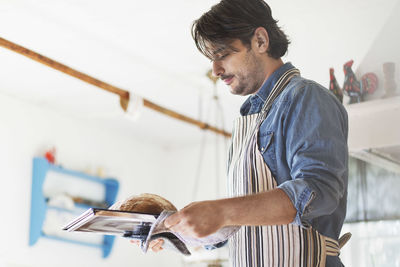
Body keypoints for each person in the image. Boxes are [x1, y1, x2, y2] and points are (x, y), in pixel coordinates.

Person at [144, 0, 349, 266]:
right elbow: (247, 226)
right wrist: (174, 231)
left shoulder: (305, 97)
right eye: (212, 60)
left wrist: (221, 210)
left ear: (261, 41)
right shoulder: (249, 119)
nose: (216, 71)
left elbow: (319, 191)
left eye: (222, 55)